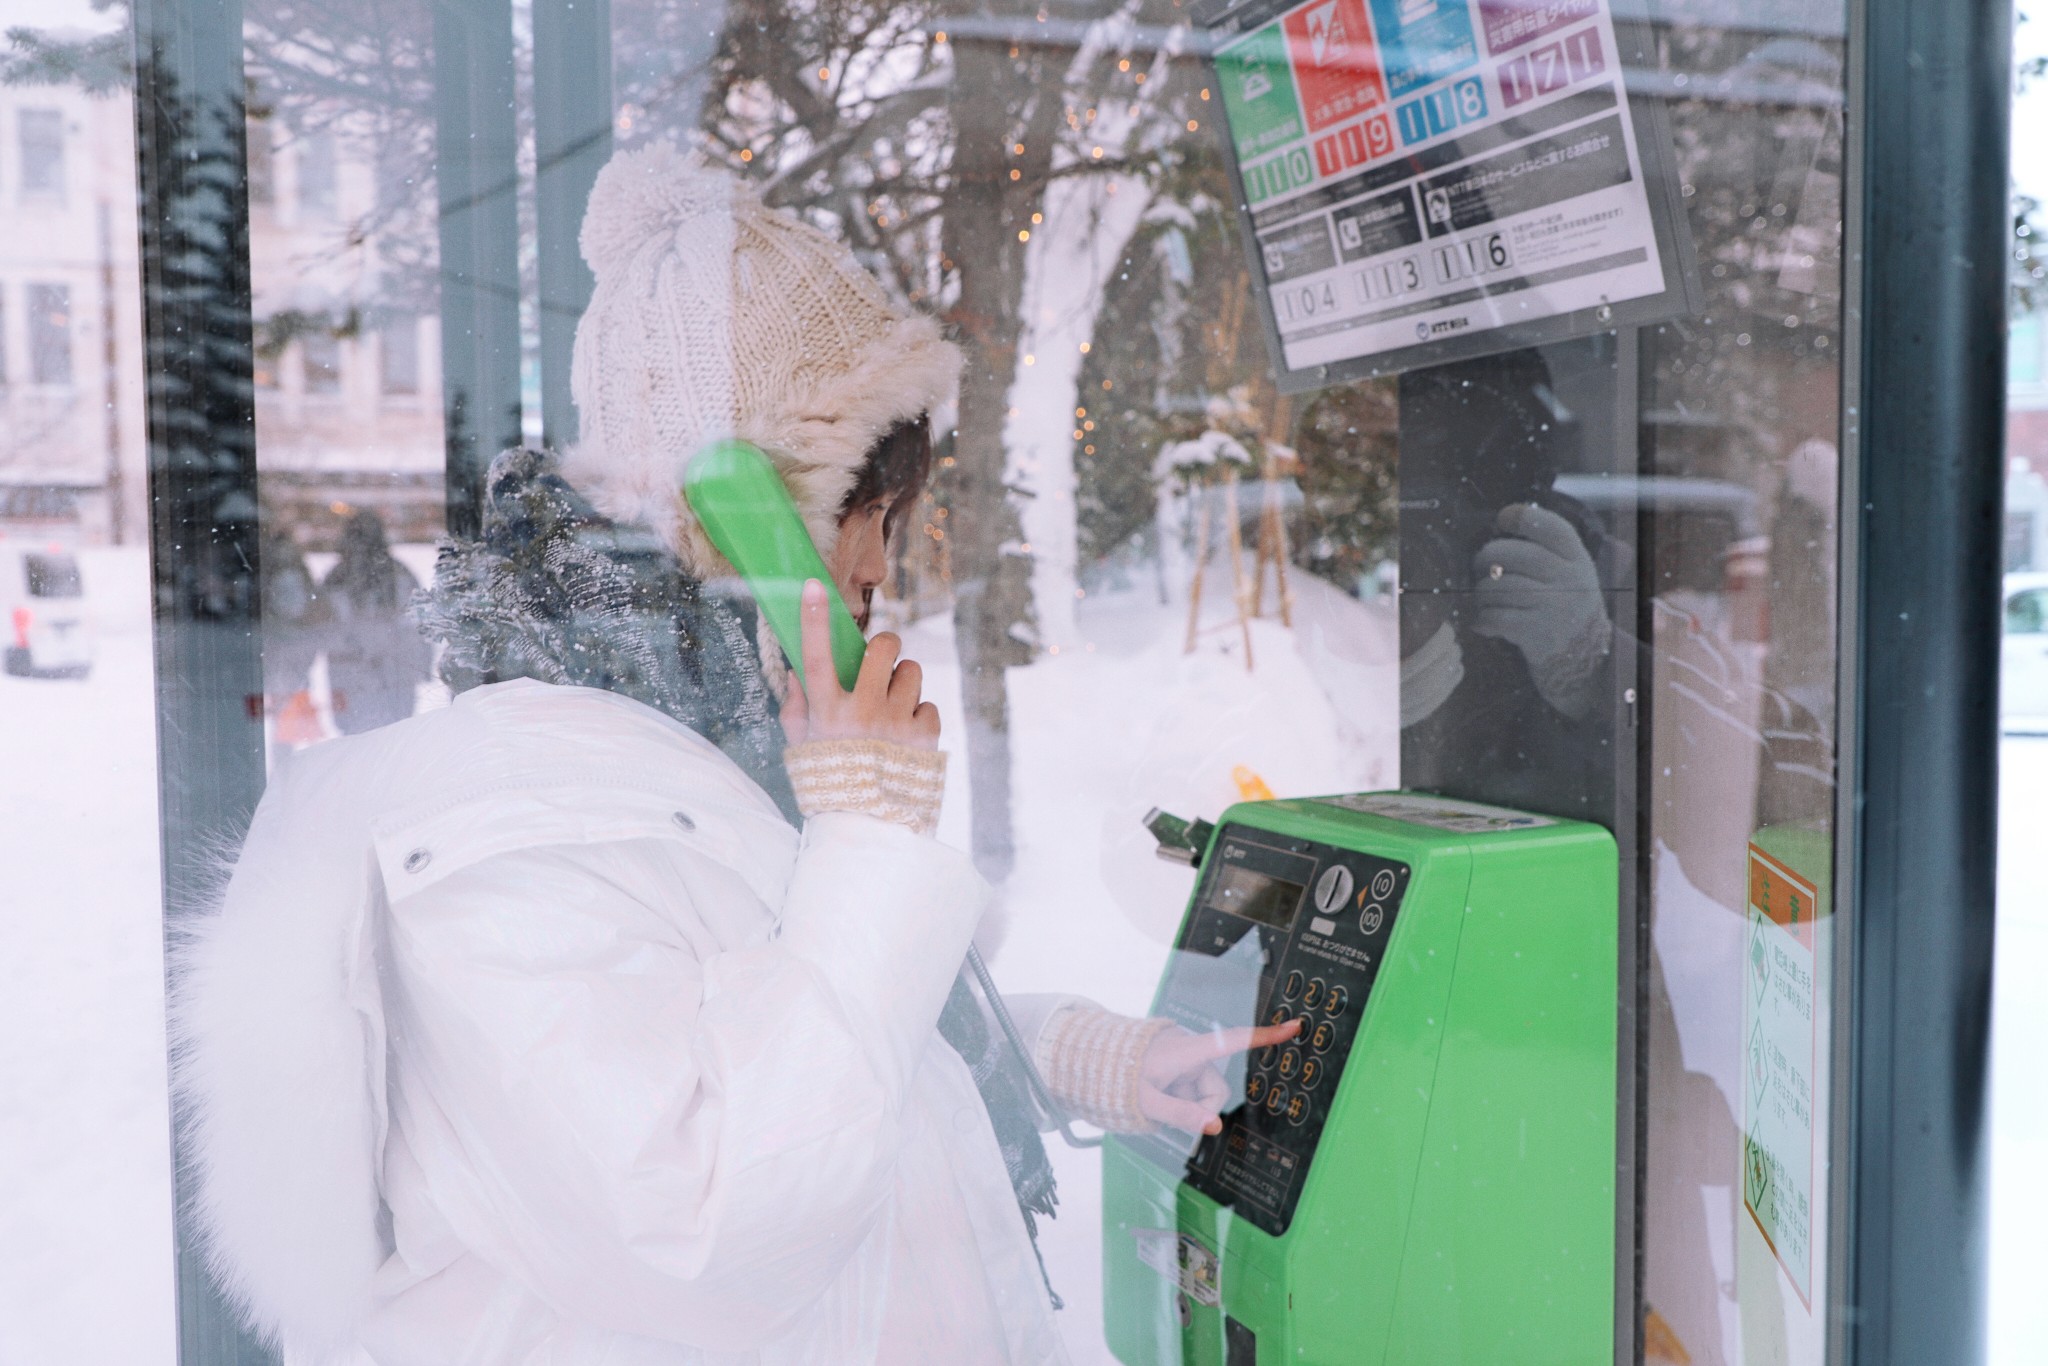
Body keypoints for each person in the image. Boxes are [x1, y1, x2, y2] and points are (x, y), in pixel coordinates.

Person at [172, 143, 1291, 1365]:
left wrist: (1094, 1056)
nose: (875, 573)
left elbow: (811, 1036)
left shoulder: (705, 765)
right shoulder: (513, 831)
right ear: (742, 509)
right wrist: (869, 839)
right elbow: (713, 1209)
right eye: (863, 520)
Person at [320, 508, 434, 734]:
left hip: (379, 674)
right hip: (372, 675)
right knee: (387, 737)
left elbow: (417, 623)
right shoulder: (394, 572)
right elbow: (419, 625)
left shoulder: (340, 576)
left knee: (373, 737)